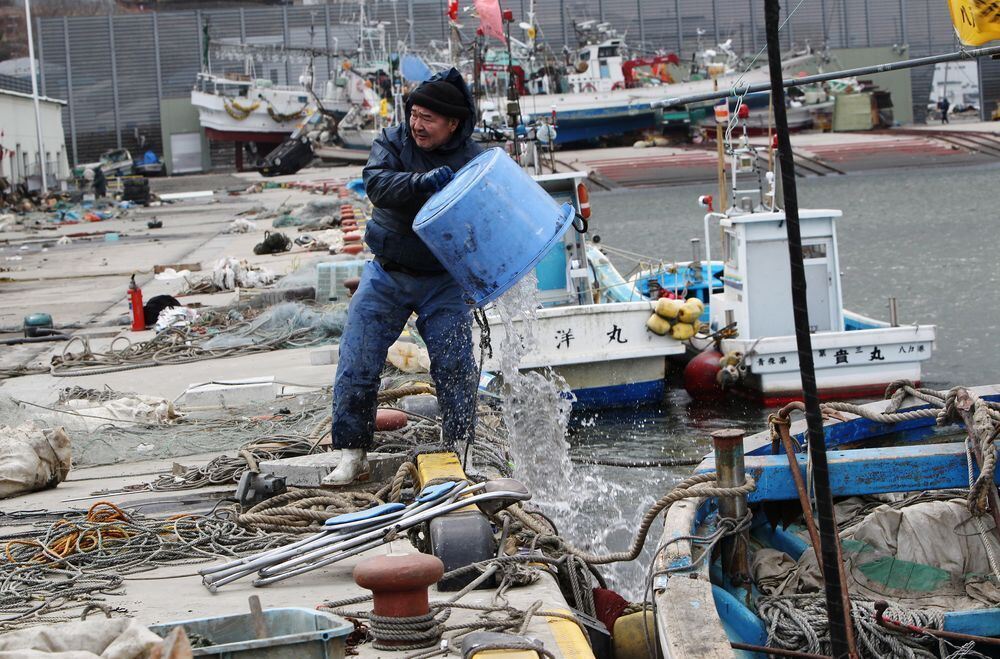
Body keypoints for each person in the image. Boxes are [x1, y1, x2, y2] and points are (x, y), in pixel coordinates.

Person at [324, 68, 483, 486]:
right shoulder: (391, 142)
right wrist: (420, 182)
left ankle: (459, 448)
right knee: (357, 361)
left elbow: (489, 217)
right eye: (414, 114)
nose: (417, 124)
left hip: (443, 281)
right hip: (386, 274)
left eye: (429, 118)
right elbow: (376, 184)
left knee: (456, 368)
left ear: (454, 123)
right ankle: (351, 453)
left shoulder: (474, 159)